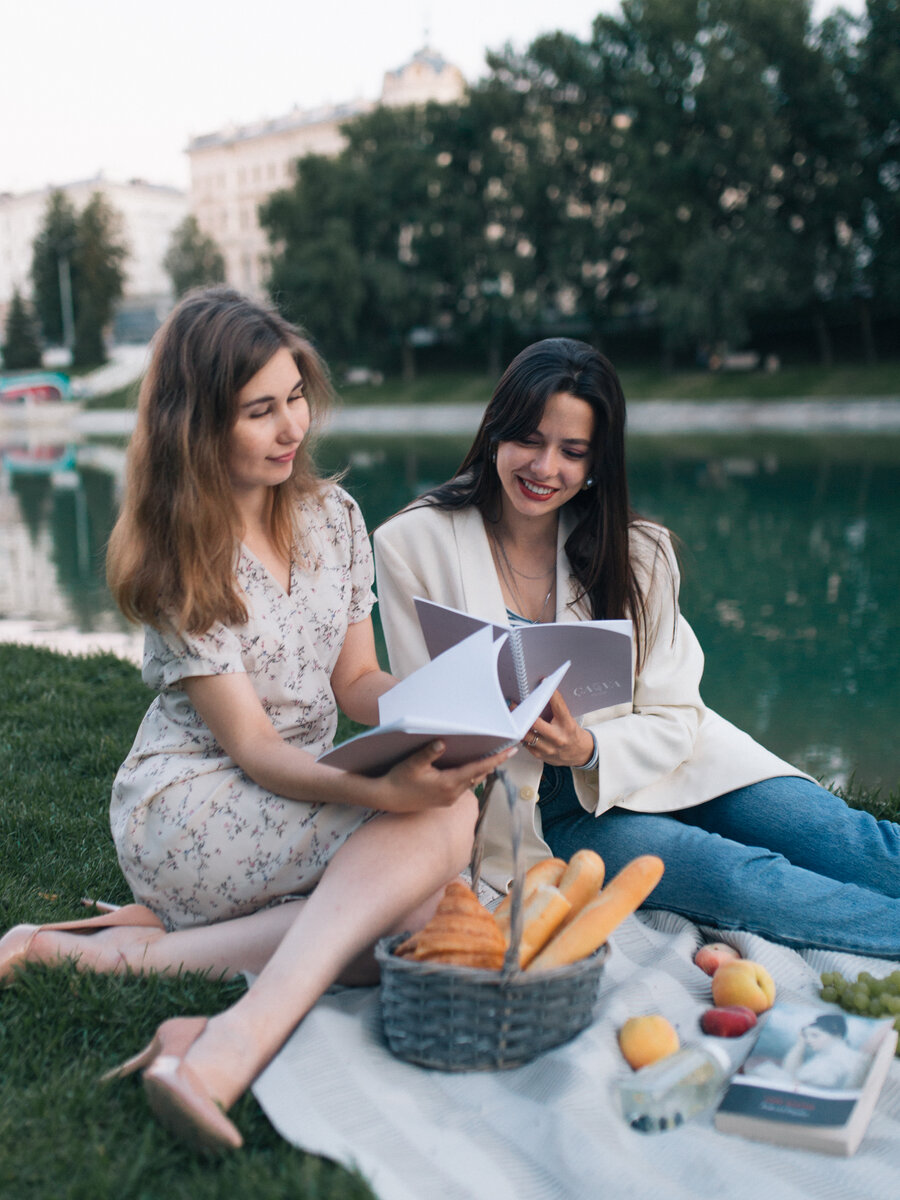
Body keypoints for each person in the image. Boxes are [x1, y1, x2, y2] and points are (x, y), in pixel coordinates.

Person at [0, 287, 513, 1153]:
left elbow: (355, 679)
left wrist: (447, 709)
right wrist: (388, 793)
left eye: (297, 397)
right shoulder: (180, 557)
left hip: (294, 790)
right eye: (260, 410)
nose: (292, 429)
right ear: (198, 424)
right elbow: (257, 750)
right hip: (194, 803)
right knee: (442, 819)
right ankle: (228, 1048)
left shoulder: (336, 517)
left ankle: (105, 955)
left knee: (418, 915)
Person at [374, 337, 900, 959]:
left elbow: (677, 715)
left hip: (679, 760)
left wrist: (587, 747)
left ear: (598, 461)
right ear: (495, 432)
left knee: (840, 837)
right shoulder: (411, 543)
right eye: (529, 441)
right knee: (737, 876)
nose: (545, 469)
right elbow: (425, 721)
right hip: (549, 811)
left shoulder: (639, 549)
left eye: (572, 452)